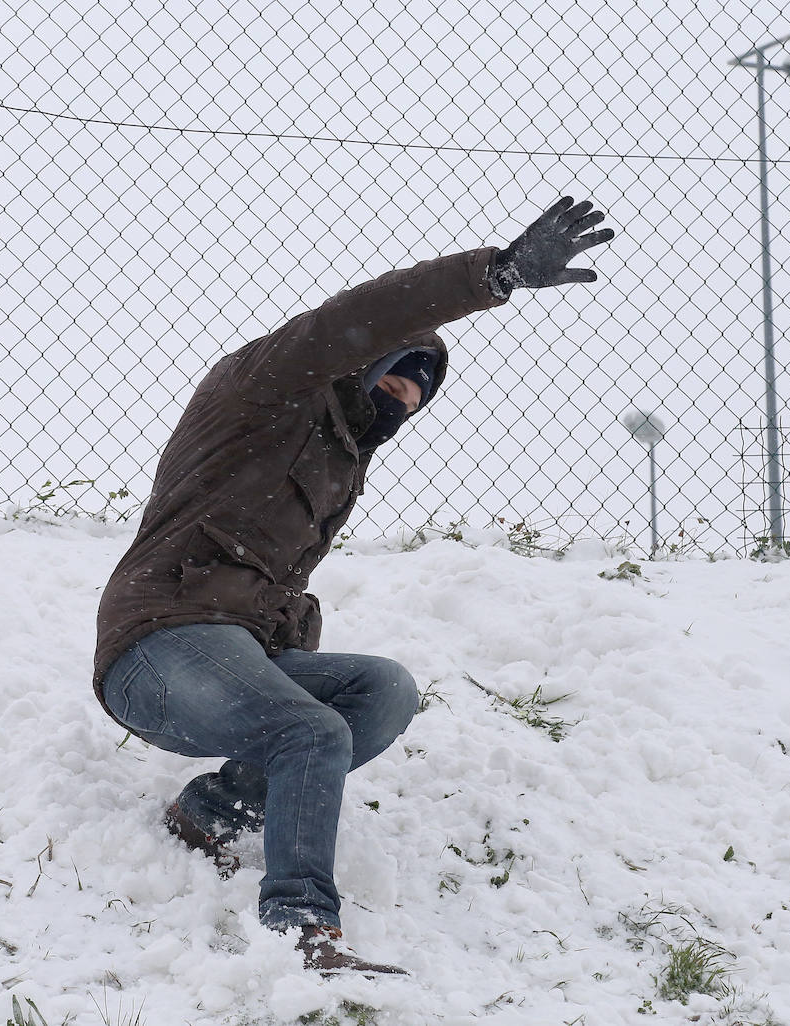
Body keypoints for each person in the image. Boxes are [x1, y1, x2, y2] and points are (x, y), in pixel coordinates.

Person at [92, 197, 615, 974]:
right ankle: (300, 928)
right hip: (159, 645)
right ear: (359, 363)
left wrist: (292, 630)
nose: (405, 394)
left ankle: (212, 811)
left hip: (234, 647)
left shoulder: (340, 460)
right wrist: (494, 275)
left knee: (384, 691)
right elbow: (363, 313)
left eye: (420, 388)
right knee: (312, 732)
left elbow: (272, 581)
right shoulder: (266, 389)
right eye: (398, 372)